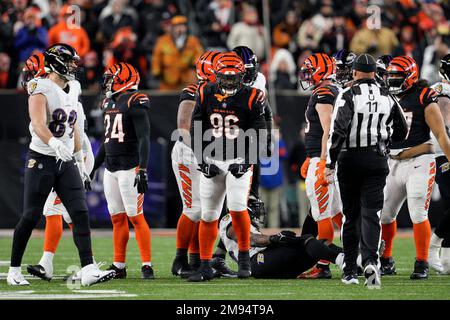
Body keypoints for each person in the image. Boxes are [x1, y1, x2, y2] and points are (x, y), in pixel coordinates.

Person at [7, 43, 115, 287]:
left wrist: (78, 157)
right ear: (55, 62)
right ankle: (15, 269)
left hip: (66, 160)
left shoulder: (74, 87)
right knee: (31, 215)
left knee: (80, 212)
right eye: (69, 62)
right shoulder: (39, 86)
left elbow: (74, 124)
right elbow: (37, 124)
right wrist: (55, 145)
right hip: (42, 158)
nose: (74, 66)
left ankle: (88, 268)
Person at [324, 53, 408, 288]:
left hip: (349, 160)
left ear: (354, 72)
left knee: (350, 217)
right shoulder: (387, 96)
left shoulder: (348, 94)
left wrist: (330, 163)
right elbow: (403, 130)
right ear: (374, 72)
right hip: (376, 160)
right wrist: (385, 141)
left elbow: (337, 131)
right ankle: (371, 263)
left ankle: (350, 269)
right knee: (372, 215)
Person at [188, 52, 267, 281]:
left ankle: (244, 259)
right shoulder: (204, 92)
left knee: (237, 207)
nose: (231, 82)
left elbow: (260, 134)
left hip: (238, 158)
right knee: (209, 213)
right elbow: (196, 128)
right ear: (216, 75)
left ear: (243, 76)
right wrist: (201, 160)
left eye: (235, 77)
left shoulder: (253, 96)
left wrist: (247, 161)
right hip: (212, 158)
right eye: (226, 77)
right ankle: (204, 266)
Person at [20, 53, 95, 281]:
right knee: (60, 212)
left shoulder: (66, 90)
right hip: (61, 155)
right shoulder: (48, 91)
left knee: (63, 211)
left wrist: (80, 163)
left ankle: (81, 265)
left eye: (34, 73)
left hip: (74, 154)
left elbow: (77, 132)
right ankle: (58, 264)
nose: (33, 78)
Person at [380, 56, 450, 280]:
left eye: (397, 77)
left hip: (420, 161)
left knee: (418, 213)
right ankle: (386, 259)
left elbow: (440, 134)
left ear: (410, 77)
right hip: (393, 161)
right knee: (386, 215)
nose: (392, 81)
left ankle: (422, 262)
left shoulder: (424, 96)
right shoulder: (386, 96)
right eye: (390, 76)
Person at [90, 62, 154, 280]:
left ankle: (147, 265)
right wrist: (93, 169)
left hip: (129, 166)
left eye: (112, 78)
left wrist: (142, 169)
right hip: (111, 167)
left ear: (123, 79)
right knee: (117, 218)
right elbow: (106, 140)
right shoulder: (109, 101)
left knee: (136, 217)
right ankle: (119, 265)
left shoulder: (135, 100)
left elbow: (145, 138)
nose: (108, 82)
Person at [171, 50, 225, 278]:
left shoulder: (221, 94)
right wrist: (202, 155)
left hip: (207, 156)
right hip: (188, 155)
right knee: (193, 209)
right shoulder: (193, 91)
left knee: (207, 210)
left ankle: (195, 260)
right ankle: (180, 259)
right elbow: (183, 128)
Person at [297, 52, 343, 279]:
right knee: (336, 213)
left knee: (322, 215)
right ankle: (364, 249)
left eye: (309, 71)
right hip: (323, 158)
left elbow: (329, 129)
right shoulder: (330, 90)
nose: (306, 75)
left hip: (323, 160)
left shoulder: (325, 93)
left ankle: (324, 265)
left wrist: (323, 159)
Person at [218, 205, 346, 279]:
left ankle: (354, 260)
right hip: (258, 261)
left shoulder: (228, 228)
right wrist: (273, 238)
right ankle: (344, 261)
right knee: (306, 240)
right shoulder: (231, 220)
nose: (255, 215)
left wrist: (276, 239)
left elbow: (219, 252)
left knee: (318, 244)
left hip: (272, 262)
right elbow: (250, 239)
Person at [428, 53, 450, 274]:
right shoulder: (440, 90)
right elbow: (443, 127)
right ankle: (435, 245)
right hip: (441, 152)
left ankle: (445, 251)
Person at [151, 15, 203, 91]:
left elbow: (199, 55)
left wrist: (193, 65)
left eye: (182, 26)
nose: (180, 29)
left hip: (188, 78)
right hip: (168, 78)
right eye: (177, 26)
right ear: (172, 28)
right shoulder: (163, 40)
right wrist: (156, 71)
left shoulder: (193, 41)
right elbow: (156, 57)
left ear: (186, 27)